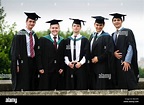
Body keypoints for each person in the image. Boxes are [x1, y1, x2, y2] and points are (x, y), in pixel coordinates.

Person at [10, 12, 41, 91]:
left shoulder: (34, 35)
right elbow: (14, 51)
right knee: (23, 84)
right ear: (26, 22)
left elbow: (36, 50)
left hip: (32, 62)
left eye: (33, 22)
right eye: (30, 21)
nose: (32, 23)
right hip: (23, 63)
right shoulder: (19, 34)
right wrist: (16, 64)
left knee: (32, 83)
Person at [109, 13, 139, 90]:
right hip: (117, 64)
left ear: (122, 21)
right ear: (112, 22)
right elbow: (111, 48)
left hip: (125, 63)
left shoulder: (127, 31)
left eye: (118, 20)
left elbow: (131, 46)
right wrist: (113, 53)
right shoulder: (113, 34)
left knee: (128, 83)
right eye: (114, 20)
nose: (116, 22)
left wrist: (127, 61)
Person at [89, 16, 116, 90]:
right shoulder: (92, 36)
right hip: (92, 66)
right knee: (93, 86)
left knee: (101, 86)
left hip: (102, 66)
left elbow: (109, 51)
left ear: (103, 25)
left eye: (100, 25)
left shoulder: (107, 37)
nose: (98, 27)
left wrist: (98, 58)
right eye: (97, 25)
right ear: (94, 24)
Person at [38, 19, 66, 90]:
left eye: (56, 28)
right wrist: (40, 67)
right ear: (50, 28)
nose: (54, 29)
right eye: (53, 28)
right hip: (46, 69)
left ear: (59, 29)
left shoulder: (62, 41)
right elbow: (39, 54)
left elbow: (64, 55)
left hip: (58, 70)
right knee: (46, 89)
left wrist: (62, 67)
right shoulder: (43, 40)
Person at [64, 18, 89, 90]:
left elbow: (86, 53)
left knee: (80, 87)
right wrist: (68, 63)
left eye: (78, 26)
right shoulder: (67, 40)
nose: (76, 27)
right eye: (74, 26)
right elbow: (65, 53)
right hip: (70, 66)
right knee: (70, 87)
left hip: (80, 67)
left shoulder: (84, 40)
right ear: (72, 27)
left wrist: (80, 63)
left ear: (80, 28)